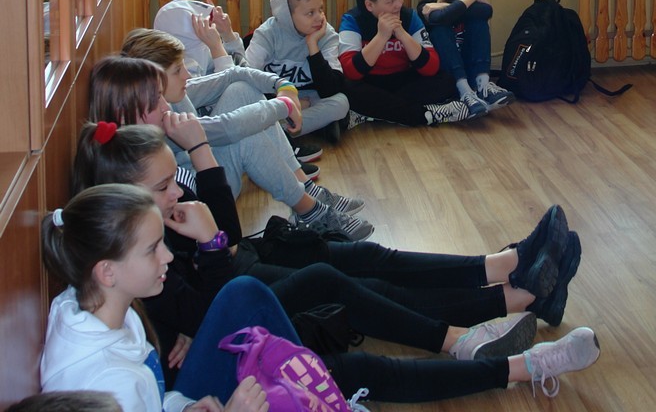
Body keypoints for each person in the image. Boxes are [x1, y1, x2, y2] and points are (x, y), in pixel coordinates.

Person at [70, 125, 600, 402]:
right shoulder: (137, 253)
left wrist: (202, 284)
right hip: (229, 348)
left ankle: (509, 286)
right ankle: (511, 326)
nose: (174, 192)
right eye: (163, 186)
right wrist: (208, 261)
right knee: (347, 301)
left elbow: (212, 281)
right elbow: (212, 294)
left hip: (232, 316)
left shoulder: (137, 244)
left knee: (359, 271)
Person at [39, 183, 278, 412]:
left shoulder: (99, 303)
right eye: (152, 249)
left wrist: (181, 406)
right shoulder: (111, 385)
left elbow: (151, 397)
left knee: (245, 292)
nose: (168, 257)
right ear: (107, 272)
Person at [95, 50, 373, 242]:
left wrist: (283, 85)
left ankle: (306, 189)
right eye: (178, 70)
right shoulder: (163, 121)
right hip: (203, 195)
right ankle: (310, 211)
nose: (187, 75)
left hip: (205, 174)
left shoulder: (166, 101)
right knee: (245, 136)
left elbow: (233, 76)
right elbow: (228, 128)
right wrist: (283, 106)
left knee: (241, 91)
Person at [155, 0, 325, 167]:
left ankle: (286, 154)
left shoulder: (197, 53)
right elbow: (229, 91)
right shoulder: (178, 75)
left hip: (229, 128)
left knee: (336, 104)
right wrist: (217, 47)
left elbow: (242, 69)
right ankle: (286, 155)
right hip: (215, 145)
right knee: (243, 90)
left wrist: (228, 35)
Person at [338, 0, 479, 126]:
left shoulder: (409, 16)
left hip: (402, 80)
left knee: (445, 81)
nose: (399, 4)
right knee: (345, 87)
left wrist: (402, 34)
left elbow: (431, 67)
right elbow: (351, 72)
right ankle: (424, 115)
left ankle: (371, 113)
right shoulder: (352, 20)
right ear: (369, 5)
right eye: (390, 1)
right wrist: (381, 37)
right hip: (370, 81)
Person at [245, 0, 352, 143]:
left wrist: (313, 45)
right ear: (288, 15)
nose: (319, 18)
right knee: (246, 98)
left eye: (321, 9)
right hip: (274, 96)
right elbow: (247, 77)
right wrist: (286, 103)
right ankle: (312, 126)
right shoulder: (267, 34)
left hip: (309, 96)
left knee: (341, 103)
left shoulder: (326, 35)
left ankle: (277, 131)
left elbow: (330, 89)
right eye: (310, 13)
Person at [416, 0, 515, 117]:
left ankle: (483, 86)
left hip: (469, 70)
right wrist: (467, 2)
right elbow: (440, 18)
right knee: (439, 30)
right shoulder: (425, 5)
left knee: (480, 23)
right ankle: (465, 93)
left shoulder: (445, 7)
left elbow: (487, 10)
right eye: (445, 1)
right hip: (445, 76)